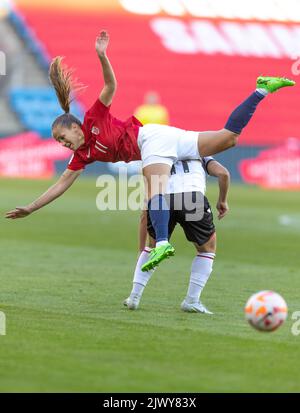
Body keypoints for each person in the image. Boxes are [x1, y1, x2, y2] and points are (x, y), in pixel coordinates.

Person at [5, 30, 295, 273]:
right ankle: (260, 91)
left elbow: (110, 85)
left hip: (151, 139)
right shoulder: (83, 155)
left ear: (75, 126)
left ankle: (163, 244)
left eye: (62, 136)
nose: (61, 143)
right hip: (163, 141)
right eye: (57, 141)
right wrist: (31, 207)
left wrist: (102, 56)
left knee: (155, 191)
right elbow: (60, 185)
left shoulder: (94, 119)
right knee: (228, 139)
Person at [124, 157, 229, 313]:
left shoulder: (156, 157)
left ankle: (134, 297)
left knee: (153, 247)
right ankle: (192, 300)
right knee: (207, 249)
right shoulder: (199, 151)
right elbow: (223, 174)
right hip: (192, 198)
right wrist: (222, 201)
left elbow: (145, 210)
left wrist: (142, 251)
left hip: (163, 199)